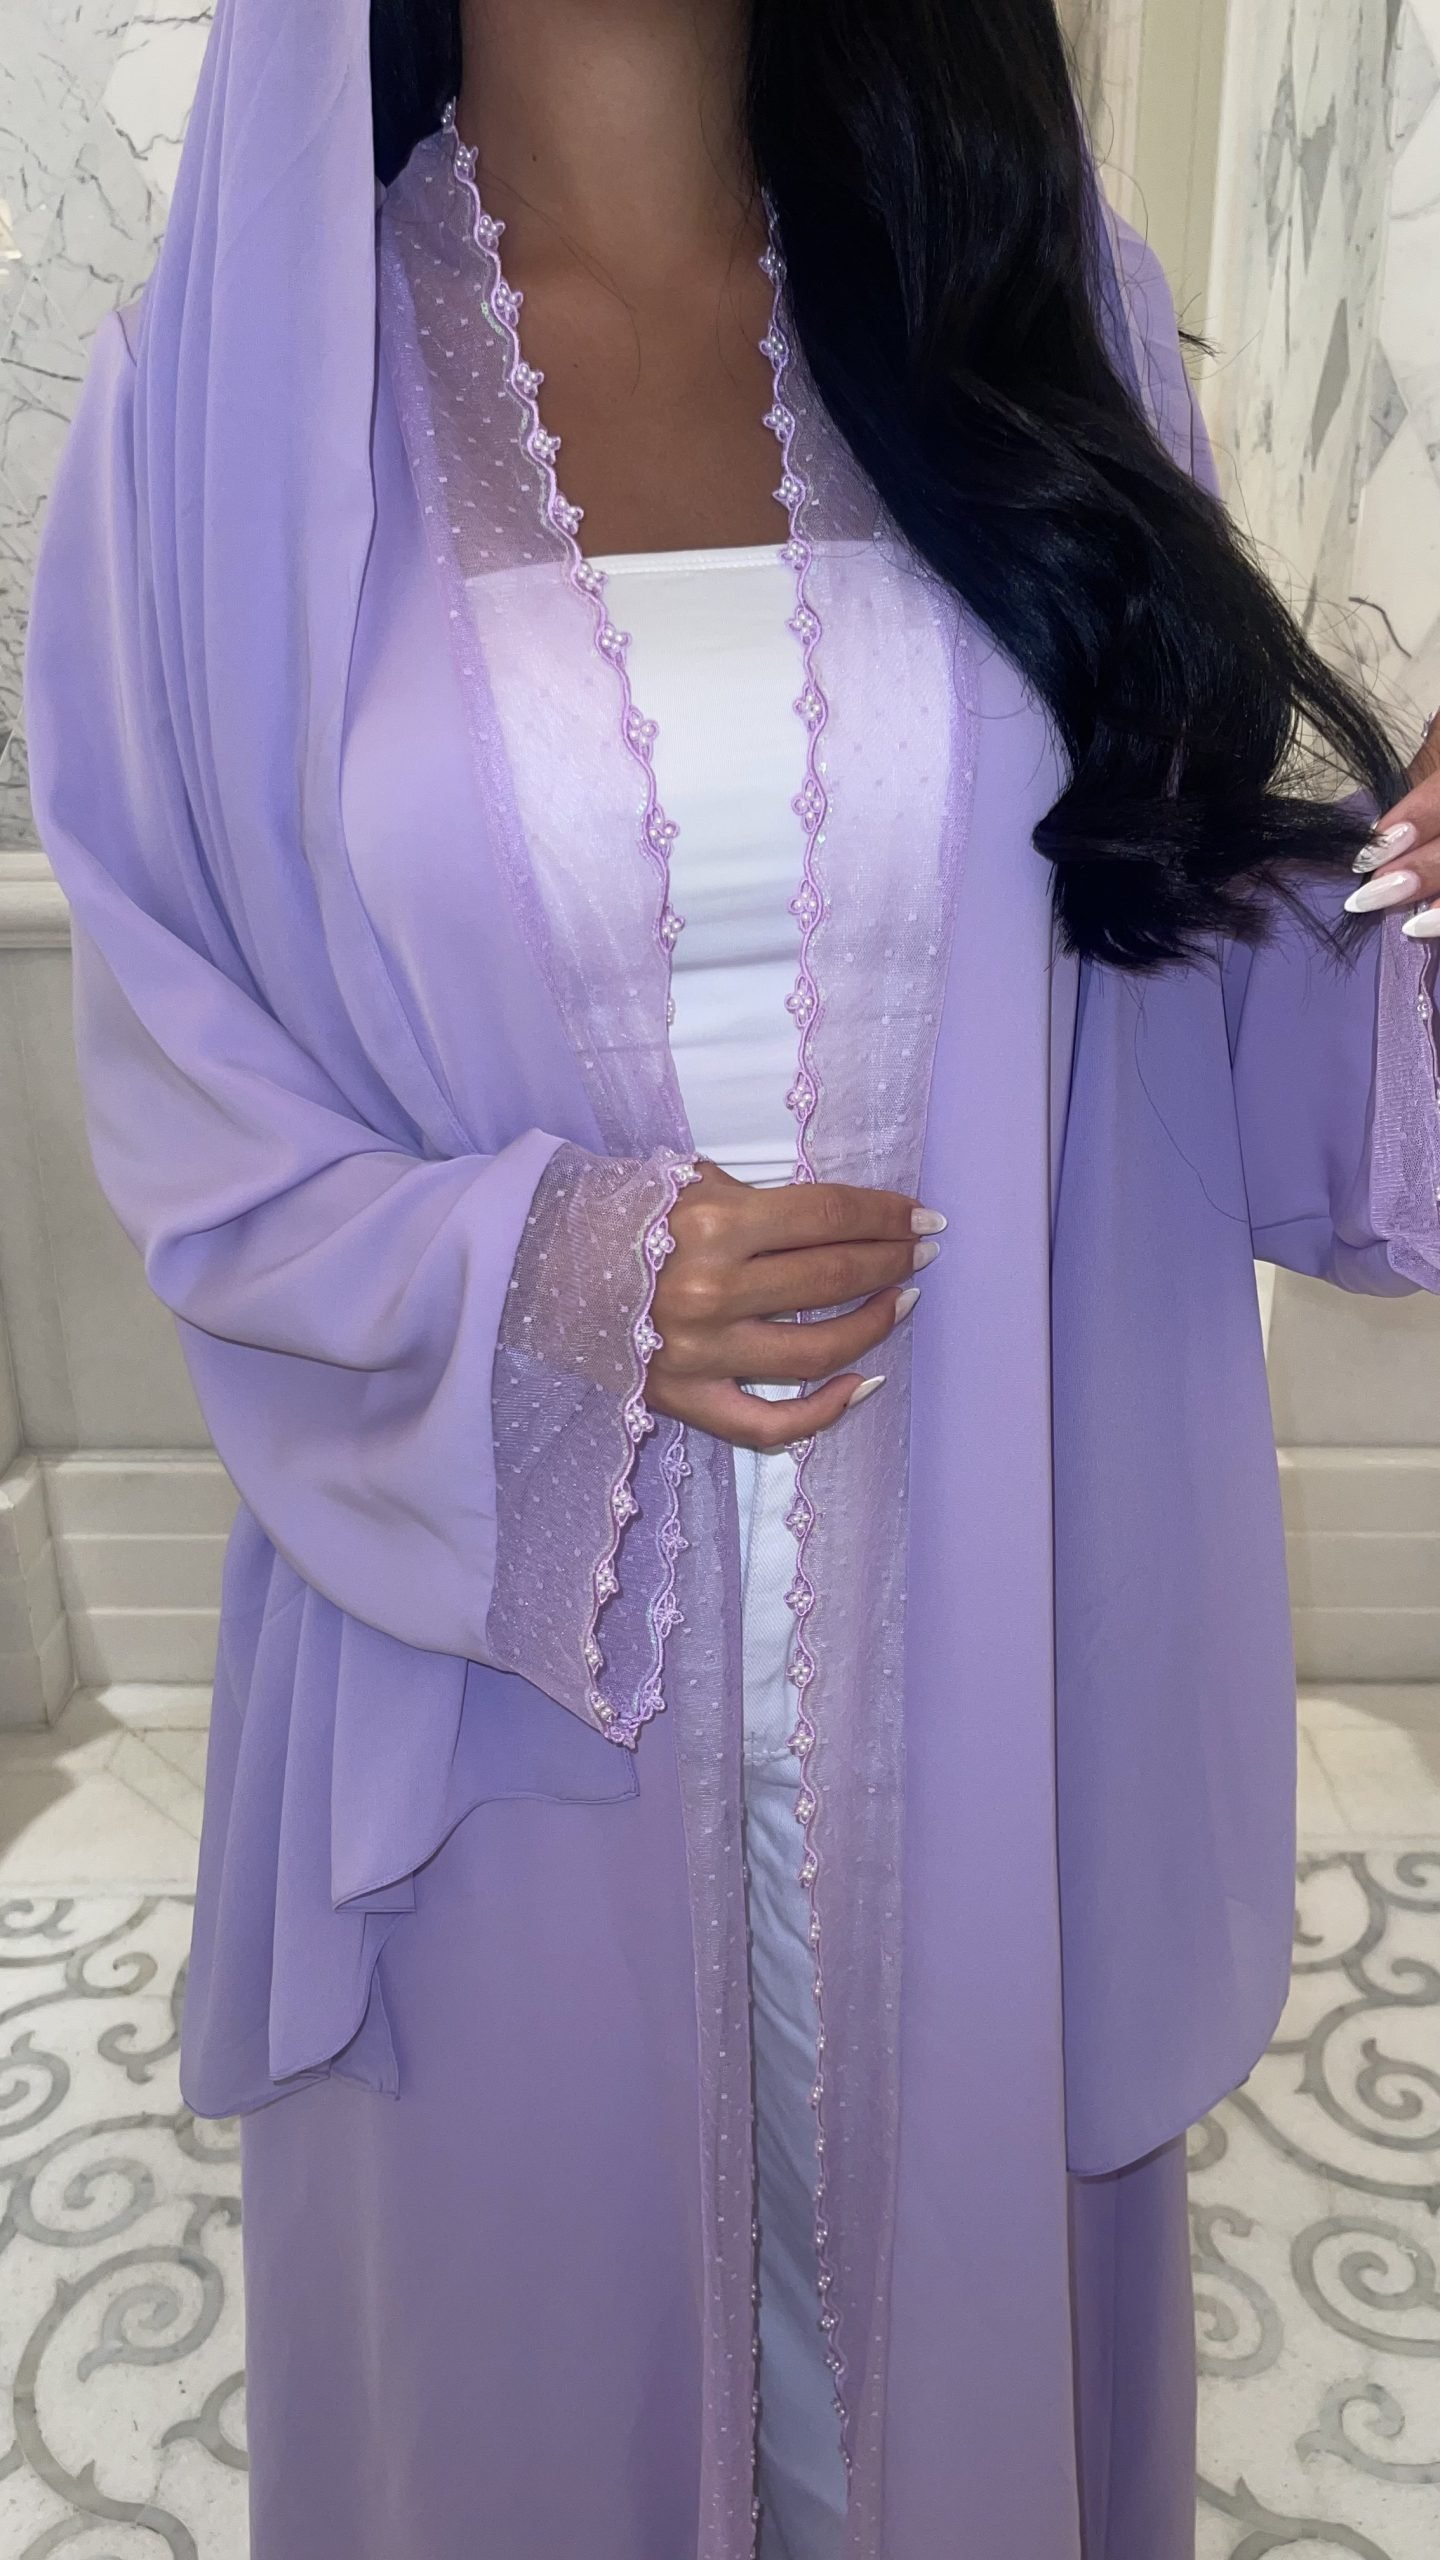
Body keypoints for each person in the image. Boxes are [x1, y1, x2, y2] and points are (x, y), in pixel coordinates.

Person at [23, 1, 1440, 2553]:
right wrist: (550, 1272)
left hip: (983, 1635)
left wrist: (1408, 912)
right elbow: (193, 1085)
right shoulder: (230, 401)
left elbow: (1161, 966)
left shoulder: (1029, 304)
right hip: (505, 1682)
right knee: (531, 2396)